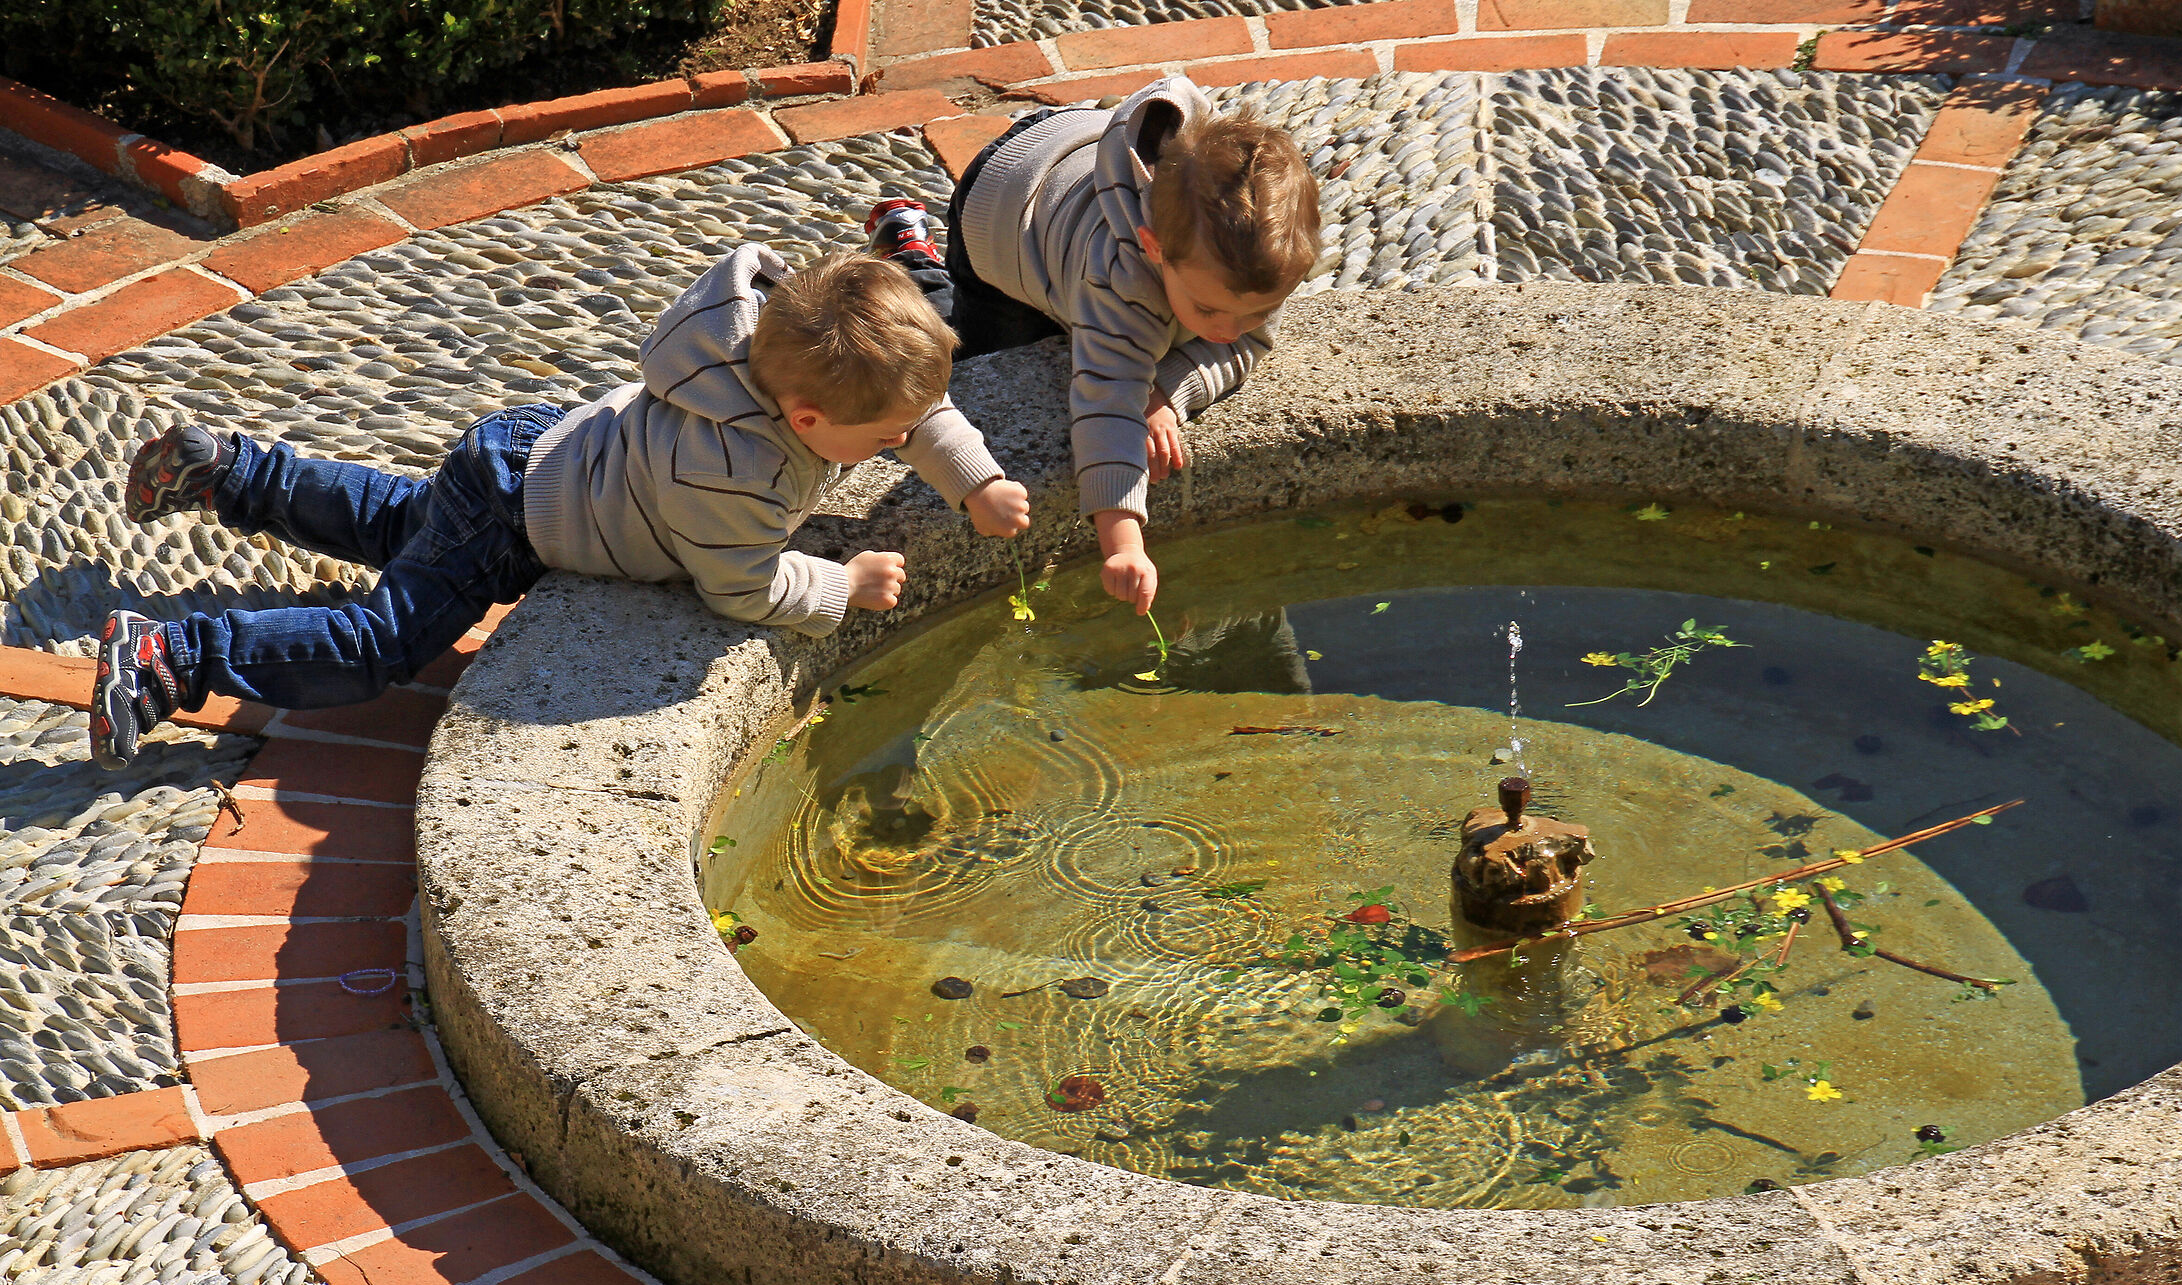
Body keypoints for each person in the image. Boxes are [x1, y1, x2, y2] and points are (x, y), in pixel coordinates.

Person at [89, 245, 1030, 768]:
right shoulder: (729, 469)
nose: (902, 445)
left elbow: (923, 409)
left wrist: (977, 481)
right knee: (379, 644)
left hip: (533, 458)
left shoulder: (786, 365)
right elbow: (738, 584)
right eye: (886, 441)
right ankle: (176, 655)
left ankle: (231, 473)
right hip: (521, 518)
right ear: (809, 418)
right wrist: (843, 580)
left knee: (398, 523)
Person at [862, 76, 1320, 615]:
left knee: (1102, 332)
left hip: (1070, 159)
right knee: (971, 356)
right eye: (1209, 311)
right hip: (1005, 208)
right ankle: (909, 254)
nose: (1226, 330)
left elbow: (1248, 344)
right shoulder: (1119, 275)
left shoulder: (1246, 266)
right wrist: (1124, 545)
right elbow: (1106, 407)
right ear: (1153, 249)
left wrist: (1168, 391)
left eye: (1257, 311)